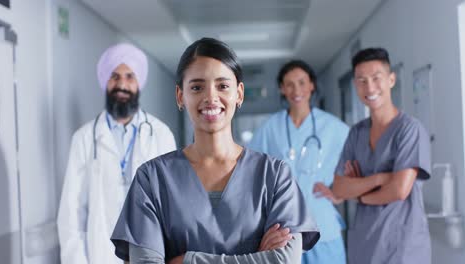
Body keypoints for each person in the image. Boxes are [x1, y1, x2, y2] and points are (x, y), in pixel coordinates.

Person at [110, 38, 320, 264]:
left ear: (239, 93)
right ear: (181, 96)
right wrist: (259, 258)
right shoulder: (152, 179)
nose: (210, 97)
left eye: (222, 86)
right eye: (197, 87)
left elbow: (286, 261)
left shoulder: (275, 176)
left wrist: (186, 261)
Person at [57, 43, 177, 264]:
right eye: (114, 76)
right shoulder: (83, 139)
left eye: (130, 76)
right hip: (101, 255)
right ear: (105, 81)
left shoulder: (161, 135)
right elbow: (71, 214)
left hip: (151, 254)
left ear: (139, 82)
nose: (122, 84)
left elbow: (173, 206)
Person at [332, 47, 431, 264]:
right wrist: (378, 179)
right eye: (361, 80)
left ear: (391, 79)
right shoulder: (356, 133)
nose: (369, 87)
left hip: (402, 246)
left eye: (376, 78)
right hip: (363, 245)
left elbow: (398, 190)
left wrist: (359, 192)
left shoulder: (409, 130)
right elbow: (339, 188)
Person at [248, 60, 349, 264]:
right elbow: (250, 171)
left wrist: (340, 194)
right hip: (284, 227)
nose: (297, 90)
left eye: (302, 82)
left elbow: (355, 164)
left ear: (312, 85)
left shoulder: (333, 127)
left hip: (323, 225)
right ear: (282, 88)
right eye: (290, 84)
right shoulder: (270, 127)